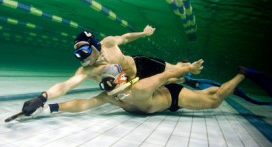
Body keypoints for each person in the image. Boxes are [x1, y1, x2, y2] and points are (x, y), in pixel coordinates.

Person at [20, 25, 202, 117]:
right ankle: (180, 81)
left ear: (95, 45)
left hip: (142, 65)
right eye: (77, 54)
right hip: (132, 84)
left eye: (84, 51)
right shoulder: (87, 70)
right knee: (164, 84)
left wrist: (143, 33)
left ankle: (185, 77)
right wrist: (42, 98)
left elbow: (125, 37)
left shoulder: (108, 43)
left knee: (178, 71)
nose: (82, 57)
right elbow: (65, 86)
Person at [28, 60, 250, 117]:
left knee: (213, 101)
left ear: (122, 80)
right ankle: (212, 87)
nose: (108, 89)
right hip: (158, 96)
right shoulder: (110, 97)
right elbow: (84, 104)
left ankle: (242, 74)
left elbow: (165, 75)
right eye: (106, 84)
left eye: (112, 83)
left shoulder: (139, 88)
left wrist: (186, 69)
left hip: (172, 97)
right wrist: (49, 107)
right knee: (204, 94)